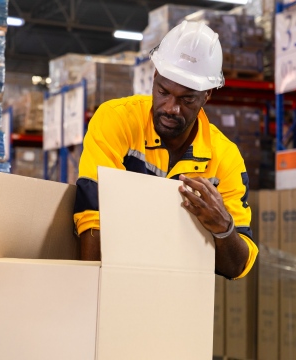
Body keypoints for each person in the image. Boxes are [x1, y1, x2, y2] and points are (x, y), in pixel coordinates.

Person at [73, 20, 258, 280]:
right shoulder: (117, 120)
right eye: (163, 92)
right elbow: (93, 212)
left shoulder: (225, 158)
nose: (171, 107)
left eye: (187, 99)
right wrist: (95, 292)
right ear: (154, 77)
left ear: (207, 96)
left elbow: (237, 267)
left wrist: (223, 228)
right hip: (114, 280)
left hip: (176, 296)